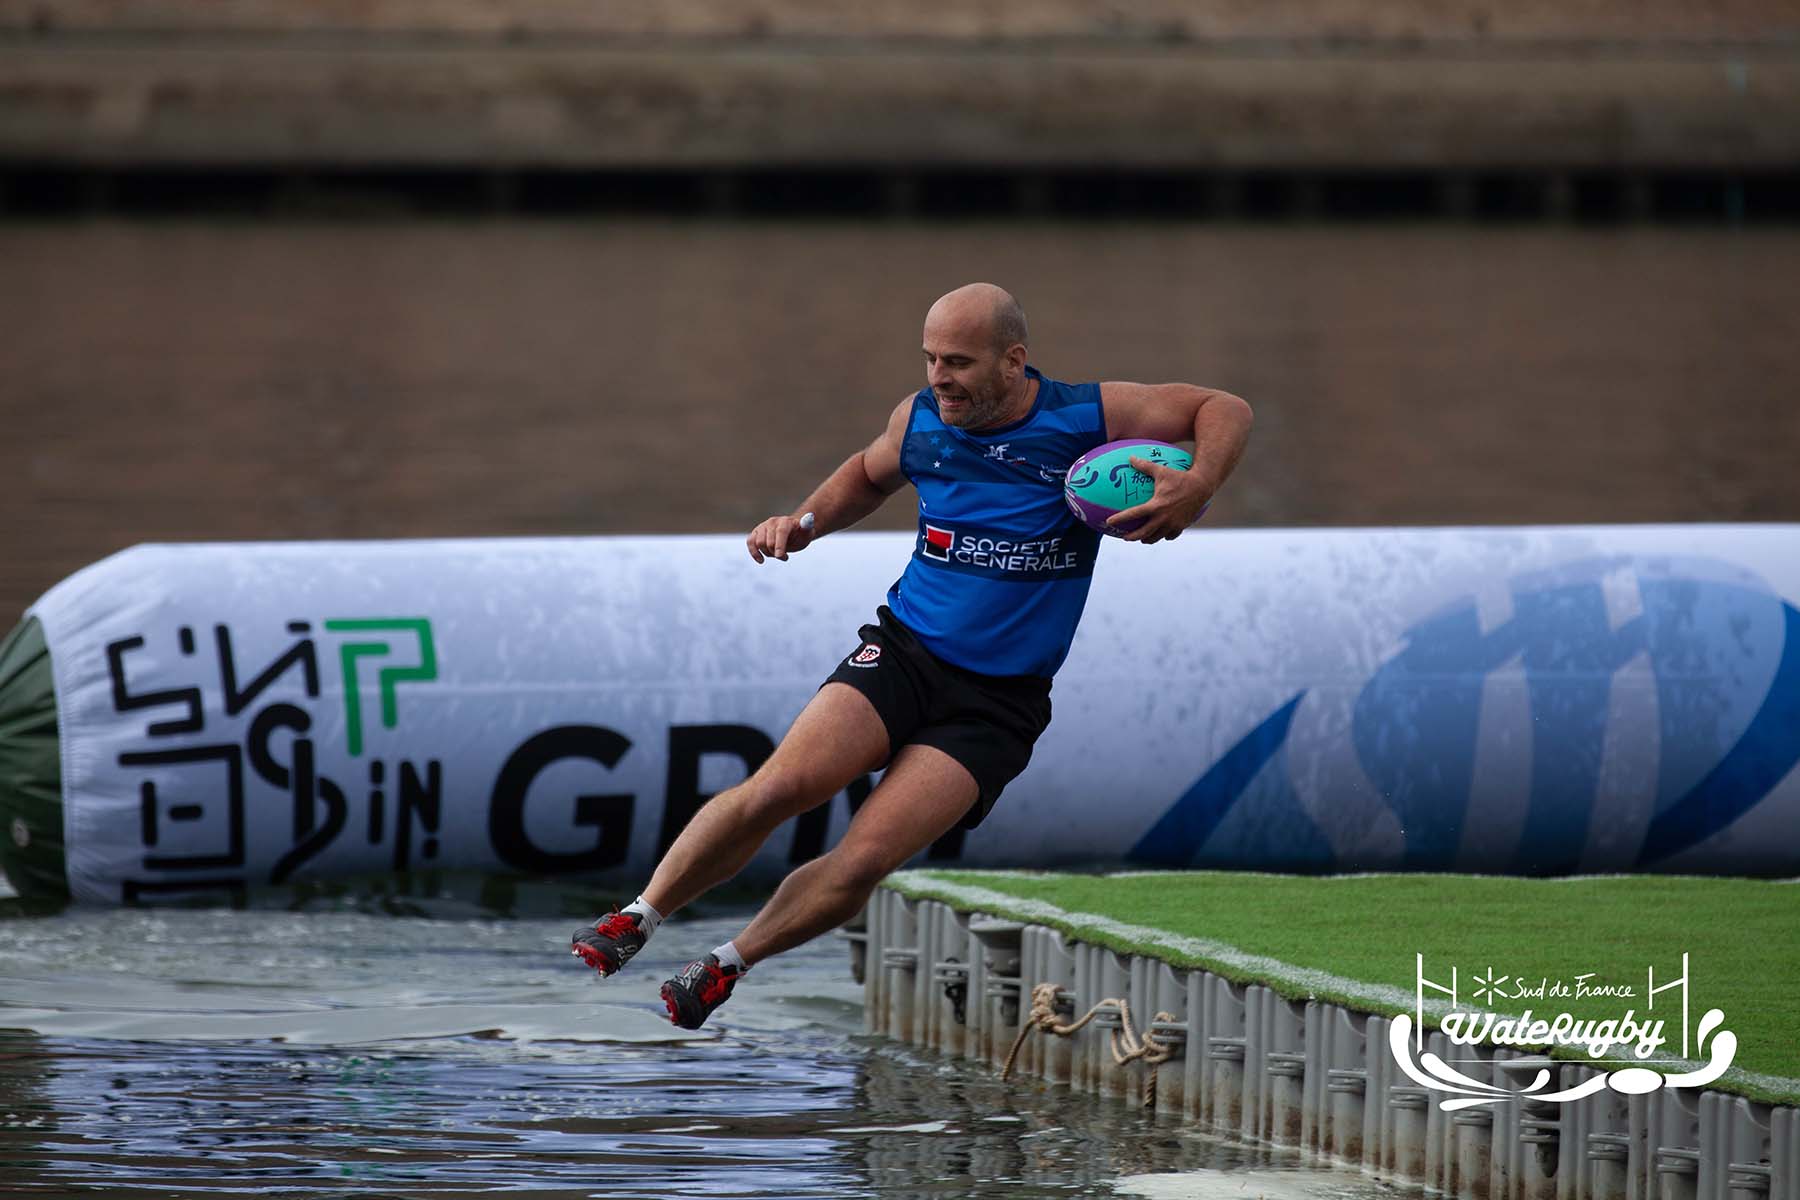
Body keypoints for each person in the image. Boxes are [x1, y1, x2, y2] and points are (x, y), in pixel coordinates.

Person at [573, 282, 1254, 1029]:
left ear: (1014, 360)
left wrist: (1198, 484)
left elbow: (1223, 408)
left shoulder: (1085, 415)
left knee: (865, 859)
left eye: (958, 361)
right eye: (930, 358)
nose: (939, 377)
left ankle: (727, 964)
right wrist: (801, 523)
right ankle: (638, 916)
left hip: (997, 704)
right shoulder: (922, 418)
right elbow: (867, 475)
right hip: (904, 651)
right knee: (779, 788)